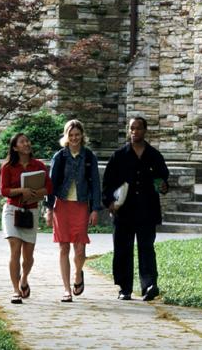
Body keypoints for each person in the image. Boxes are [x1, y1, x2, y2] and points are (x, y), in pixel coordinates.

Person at [101, 116, 170, 301]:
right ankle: (125, 288)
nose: (135, 131)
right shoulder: (119, 156)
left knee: (146, 248)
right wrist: (110, 203)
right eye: (132, 128)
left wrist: (163, 186)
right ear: (128, 130)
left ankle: (149, 285)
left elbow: (163, 180)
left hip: (147, 211)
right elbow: (107, 183)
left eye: (138, 128)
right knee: (123, 249)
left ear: (145, 130)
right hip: (124, 212)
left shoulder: (154, 155)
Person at [47, 119, 103, 303]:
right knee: (64, 247)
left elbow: (95, 183)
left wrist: (95, 209)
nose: (74, 138)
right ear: (66, 136)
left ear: (82, 136)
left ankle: (78, 274)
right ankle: (66, 289)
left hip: (81, 205)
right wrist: (48, 209)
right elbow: (51, 184)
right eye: (70, 135)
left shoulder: (88, 157)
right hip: (61, 205)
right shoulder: (59, 157)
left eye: (77, 135)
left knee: (79, 248)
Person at [0, 132, 47, 304]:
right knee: (15, 249)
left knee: (28, 257)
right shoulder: (7, 167)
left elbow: (49, 187)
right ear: (15, 147)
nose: (27, 143)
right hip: (12, 210)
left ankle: (24, 278)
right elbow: (4, 190)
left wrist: (37, 192)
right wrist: (21, 190)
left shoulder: (39, 165)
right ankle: (15, 290)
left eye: (28, 140)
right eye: (22, 142)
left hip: (31, 212)